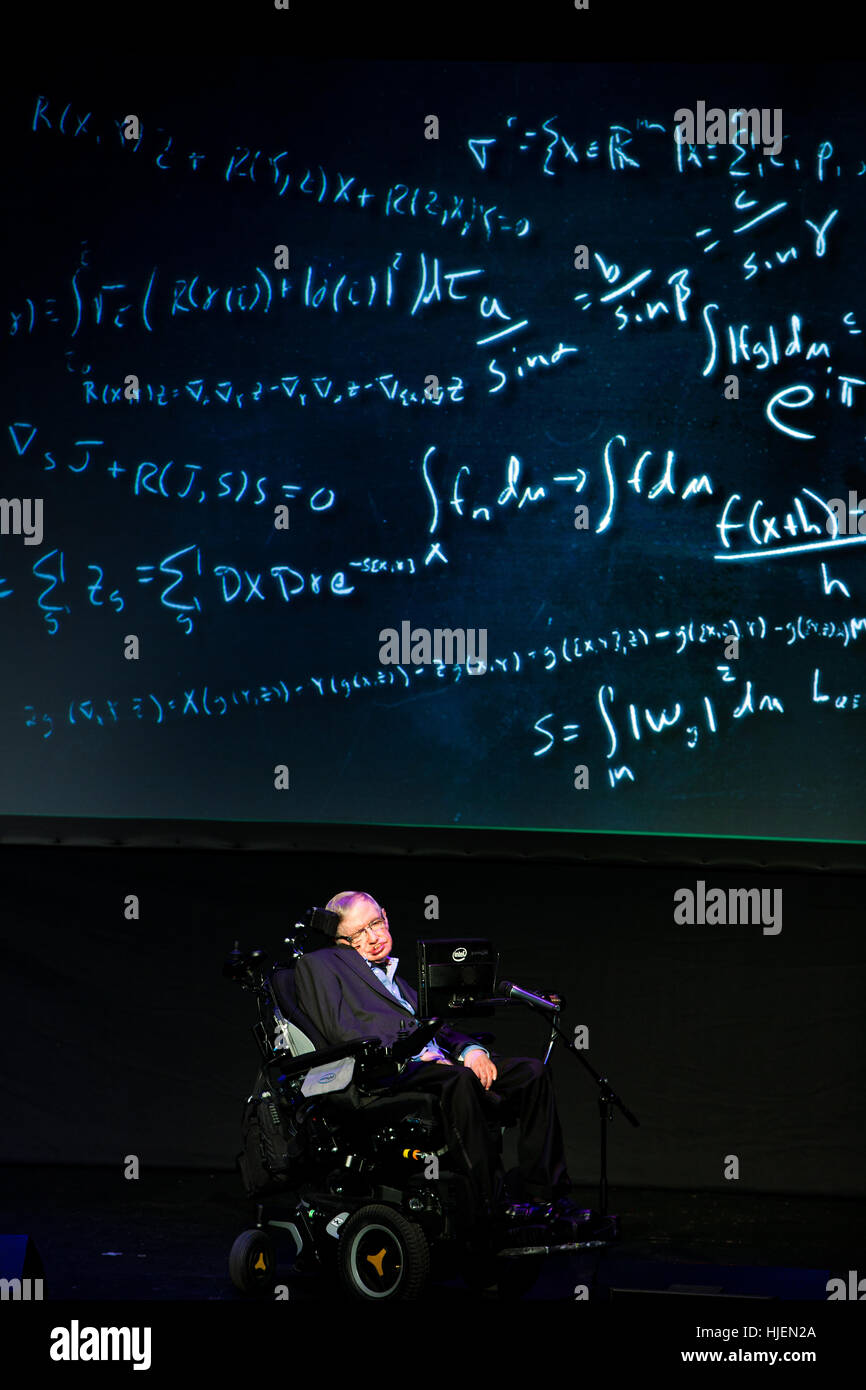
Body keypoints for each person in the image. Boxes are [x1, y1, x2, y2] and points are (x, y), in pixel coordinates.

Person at [293, 889, 586, 1233]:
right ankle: (489, 1203)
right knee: (456, 1080)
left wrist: (469, 1051)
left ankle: (545, 1195)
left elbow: (439, 1027)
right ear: (339, 940)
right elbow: (342, 1032)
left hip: (436, 1067)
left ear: (386, 917)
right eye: (357, 934)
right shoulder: (321, 966)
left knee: (530, 1072)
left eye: (375, 924)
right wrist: (422, 1056)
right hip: (387, 1074)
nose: (372, 938)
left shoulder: (395, 981)